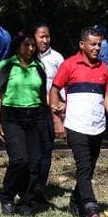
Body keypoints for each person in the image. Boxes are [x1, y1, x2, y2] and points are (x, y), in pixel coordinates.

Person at [49, 27, 108, 217]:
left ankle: (75, 200)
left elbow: (107, 94)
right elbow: (54, 89)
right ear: (82, 44)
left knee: (89, 167)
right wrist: (57, 118)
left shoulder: (102, 68)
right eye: (93, 44)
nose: (97, 48)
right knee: (83, 165)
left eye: (99, 44)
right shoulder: (69, 65)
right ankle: (90, 206)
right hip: (75, 125)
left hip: (97, 126)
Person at [0, 31, 48, 217]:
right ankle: (7, 196)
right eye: (27, 45)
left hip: (35, 117)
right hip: (11, 116)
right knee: (19, 160)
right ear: (17, 46)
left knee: (34, 162)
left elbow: (41, 94)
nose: (31, 48)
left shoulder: (38, 66)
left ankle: (26, 201)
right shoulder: (6, 65)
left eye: (33, 45)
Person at [34, 22, 64, 203]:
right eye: (41, 36)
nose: (45, 40)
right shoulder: (26, 56)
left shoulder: (57, 58)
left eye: (47, 36)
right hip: (29, 108)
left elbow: (64, 86)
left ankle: (39, 186)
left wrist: (63, 107)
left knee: (46, 149)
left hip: (49, 110)